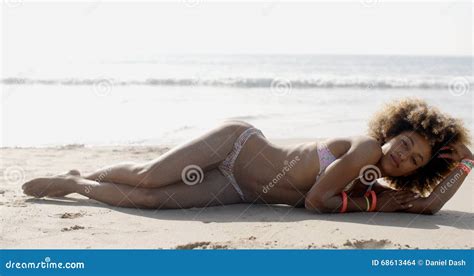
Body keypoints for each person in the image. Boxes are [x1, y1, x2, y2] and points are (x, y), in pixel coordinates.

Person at [22, 98, 472, 214]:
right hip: (237, 145)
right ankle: (87, 171)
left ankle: (76, 182)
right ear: (392, 132)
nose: (402, 156)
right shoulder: (365, 149)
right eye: (405, 143)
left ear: (419, 172)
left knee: (149, 202)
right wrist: (363, 206)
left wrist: (465, 163)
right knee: (147, 177)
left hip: (241, 188)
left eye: (415, 161)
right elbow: (318, 200)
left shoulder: (375, 185)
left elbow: (428, 206)